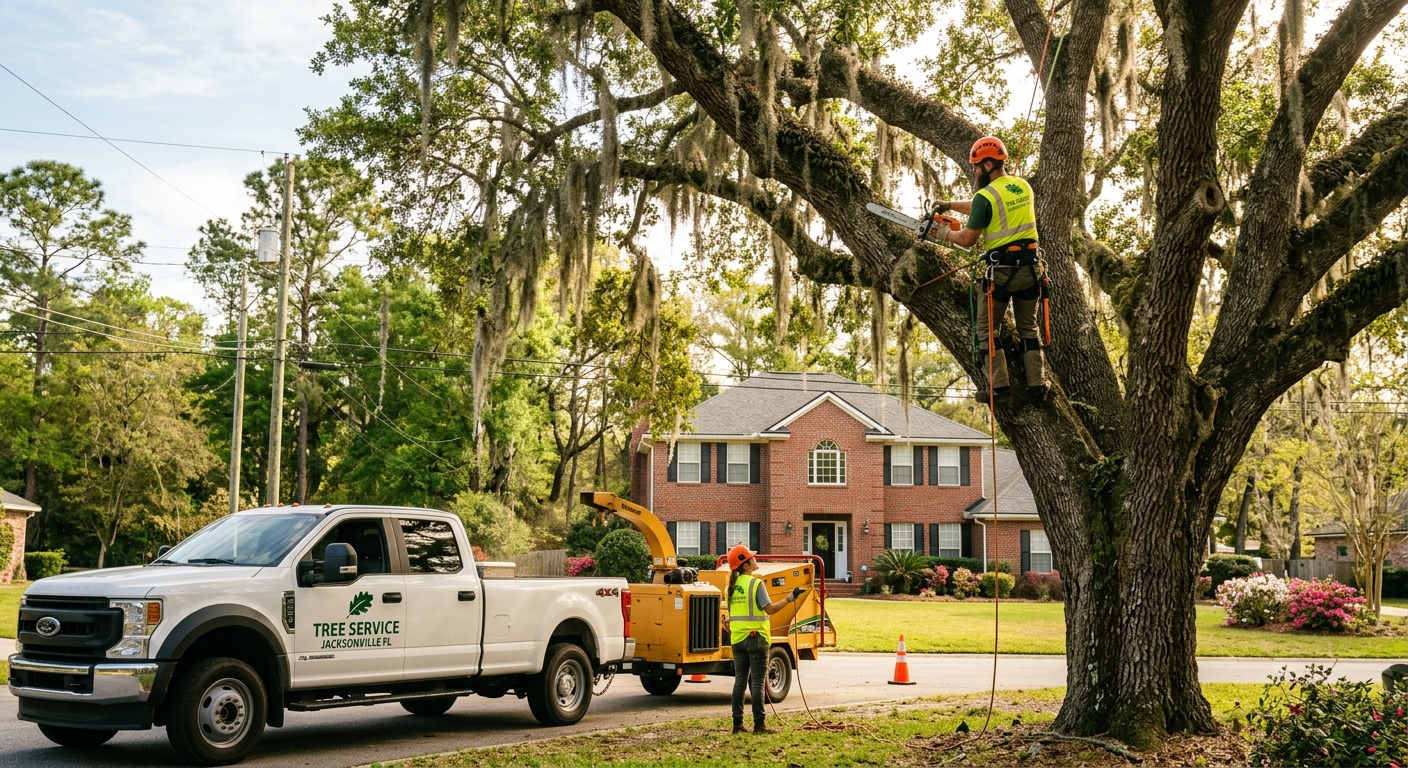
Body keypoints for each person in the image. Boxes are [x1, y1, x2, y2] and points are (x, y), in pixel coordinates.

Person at [935, 136, 1046, 401]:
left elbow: (967, 239)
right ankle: (1038, 387)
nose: (973, 171)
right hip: (1031, 270)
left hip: (1002, 273)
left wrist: (941, 233)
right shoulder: (1022, 186)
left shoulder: (986, 195)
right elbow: (981, 206)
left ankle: (999, 388)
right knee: (1029, 329)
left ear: (986, 165)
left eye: (975, 166)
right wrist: (949, 205)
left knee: (986, 332)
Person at [724, 543, 805, 735]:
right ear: (745, 565)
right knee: (758, 682)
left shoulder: (731, 587)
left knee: (739, 682)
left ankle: (737, 725)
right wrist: (790, 598)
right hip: (757, 639)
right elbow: (769, 609)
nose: (755, 559)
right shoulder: (756, 584)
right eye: (752, 557)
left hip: (737, 639)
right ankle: (759, 726)